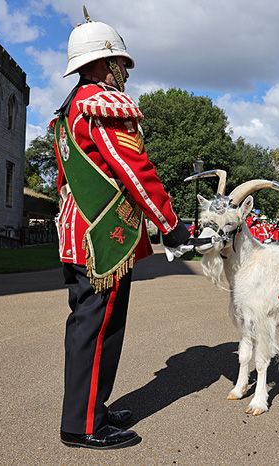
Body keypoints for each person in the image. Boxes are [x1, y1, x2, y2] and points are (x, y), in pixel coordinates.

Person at [51, 11, 190, 450]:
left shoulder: (69, 109)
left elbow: (65, 179)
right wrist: (169, 222)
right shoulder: (102, 104)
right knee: (96, 330)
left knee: (97, 327)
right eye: (120, 63)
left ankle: (94, 407)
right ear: (100, 63)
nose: (124, 71)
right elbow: (133, 168)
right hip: (101, 238)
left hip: (81, 230)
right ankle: (82, 425)